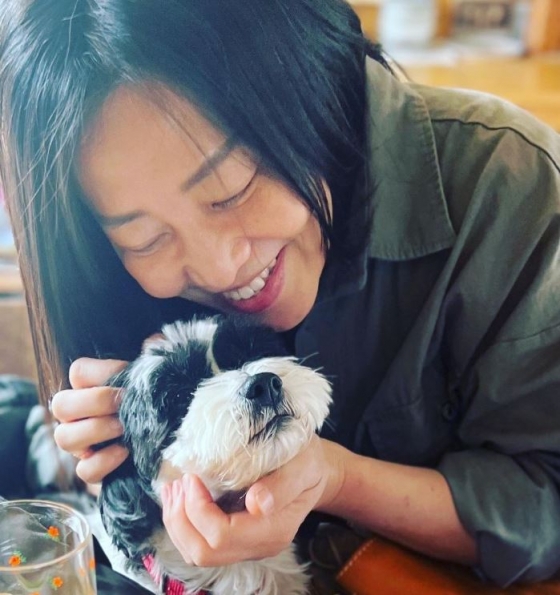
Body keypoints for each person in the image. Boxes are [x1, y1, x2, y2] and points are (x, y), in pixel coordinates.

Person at [1, 0, 559, 590]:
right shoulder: (100, 270)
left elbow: (547, 500)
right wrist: (108, 468)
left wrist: (338, 480)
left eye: (231, 190)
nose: (219, 267)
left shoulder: (506, 187)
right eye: (146, 239)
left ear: (310, 88)